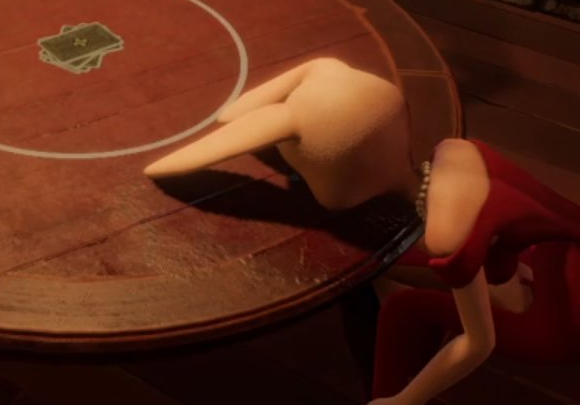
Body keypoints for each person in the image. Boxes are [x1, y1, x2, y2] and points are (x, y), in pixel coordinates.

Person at [144, 58, 580, 405]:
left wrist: (405, 400)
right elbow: (532, 214)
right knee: (393, 272)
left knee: (401, 306)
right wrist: (504, 267)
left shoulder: (447, 235)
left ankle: (385, 390)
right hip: (560, 256)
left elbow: (478, 344)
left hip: (559, 320)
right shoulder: (455, 151)